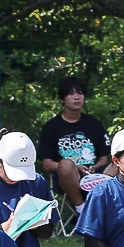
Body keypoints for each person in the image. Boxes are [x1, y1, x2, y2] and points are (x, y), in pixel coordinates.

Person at [37, 75, 104, 207]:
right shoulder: (51, 127)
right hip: (66, 179)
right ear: (62, 99)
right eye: (71, 94)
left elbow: (104, 159)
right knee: (66, 164)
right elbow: (47, 164)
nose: (76, 97)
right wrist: (74, 167)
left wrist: (94, 167)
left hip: (95, 176)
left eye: (80, 93)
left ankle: (107, 208)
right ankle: (81, 207)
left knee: (120, 163)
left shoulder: (94, 124)